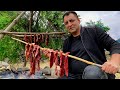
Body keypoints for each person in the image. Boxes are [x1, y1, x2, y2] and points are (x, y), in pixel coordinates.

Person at [60, 11, 120, 79]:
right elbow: (65, 61)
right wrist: (54, 56)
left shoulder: (94, 31)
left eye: (71, 21)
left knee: (92, 73)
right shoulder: (67, 42)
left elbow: (114, 45)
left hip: (96, 74)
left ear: (79, 20)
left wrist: (114, 62)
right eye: (66, 23)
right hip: (73, 76)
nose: (69, 24)